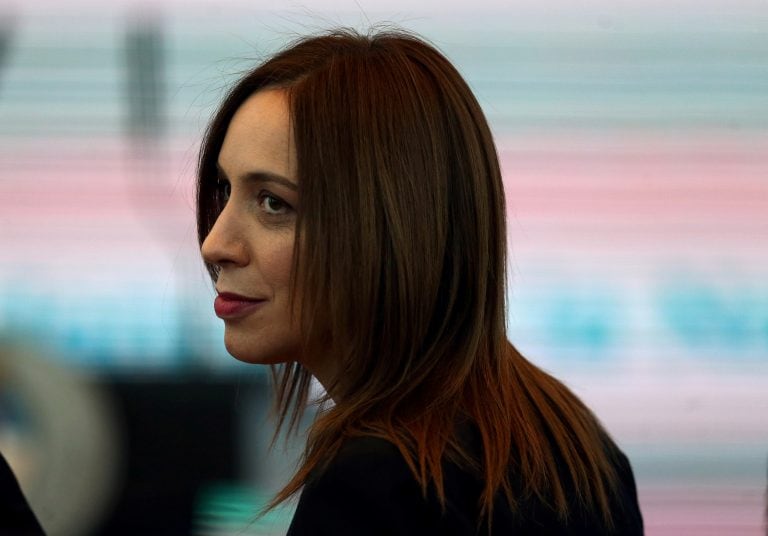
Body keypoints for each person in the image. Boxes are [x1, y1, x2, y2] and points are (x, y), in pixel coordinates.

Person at [197, 28, 644, 535]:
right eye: (225, 190)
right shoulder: (576, 445)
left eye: (273, 202)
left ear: (389, 226)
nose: (216, 244)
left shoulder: (376, 483)